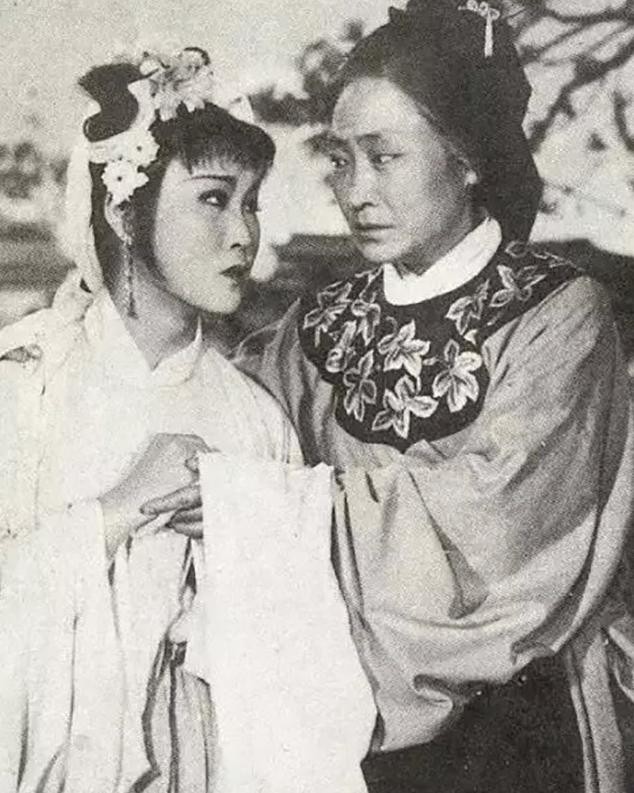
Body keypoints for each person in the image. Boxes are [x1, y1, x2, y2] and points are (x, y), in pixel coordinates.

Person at [145, 3, 634, 791]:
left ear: (467, 158)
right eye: (342, 160)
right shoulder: (319, 325)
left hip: (517, 728)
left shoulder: (555, 311)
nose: (356, 190)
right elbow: (217, 427)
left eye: (385, 157)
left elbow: (502, 526)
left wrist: (262, 506)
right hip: (344, 724)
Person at [0, 47, 306, 792]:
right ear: (121, 211)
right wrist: (116, 511)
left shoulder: (256, 420)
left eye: (252, 202)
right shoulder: (24, 385)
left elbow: (297, 667)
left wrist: (248, 517)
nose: (243, 233)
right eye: (213, 199)